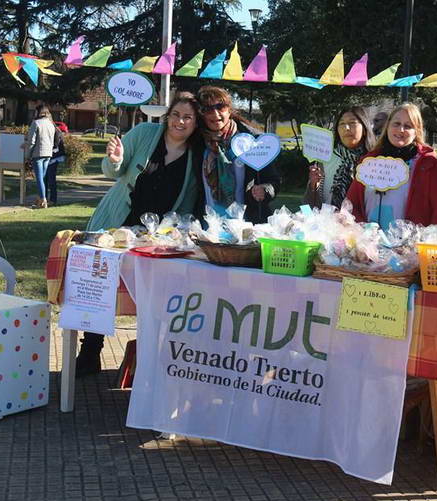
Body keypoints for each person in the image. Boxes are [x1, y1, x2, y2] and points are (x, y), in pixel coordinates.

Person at [77, 92, 206, 377]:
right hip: (115, 224)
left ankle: (148, 355)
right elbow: (113, 171)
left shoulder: (197, 155)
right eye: (175, 115)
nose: (180, 122)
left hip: (157, 238)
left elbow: (189, 202)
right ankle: (90, 350)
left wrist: (175, 233)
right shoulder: (145, 133)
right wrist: (114, 159)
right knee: (100, 286)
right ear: (167, 115)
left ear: (196, 123)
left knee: (154, 292)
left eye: (188, 117)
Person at [345, 103, 437, 228]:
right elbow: (351, 204)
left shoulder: (429, 164)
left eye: (408, 126)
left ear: (417, 131)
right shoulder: (369, 161)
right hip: (369, 243)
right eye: (396, 124)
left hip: (411, 244)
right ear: (387, 127)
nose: (401, 130)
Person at [196, 86, 280, 223]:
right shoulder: (196, 143)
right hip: (208, 226)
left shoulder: (254, 141)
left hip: (246, 224)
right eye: (207, 109)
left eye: (220, 106)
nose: (215, 114)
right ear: (202, 114)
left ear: (229, 109)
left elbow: (273, 180)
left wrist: (265, 190)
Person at [304, 106, 376, 209]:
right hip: (330, 221)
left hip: (365, 222)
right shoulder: (326, 157)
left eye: (352, 123)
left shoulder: (375, 160)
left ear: (365, 128)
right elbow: (310, 204)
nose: (346, 128)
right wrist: (313, 184)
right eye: (342, 124)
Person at [24, 104, 56, 209]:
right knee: (42, 177)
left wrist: (27, 155)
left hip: (38, 153)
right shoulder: (51, 124)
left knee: (39, 178)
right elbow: (52, 140)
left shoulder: (36, 123)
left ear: (39, 112)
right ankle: (40, 198)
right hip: (48, 153)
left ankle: (43, 200)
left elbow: (31, 141)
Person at [45, 127, 67, 206]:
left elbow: (56, 145)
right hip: (47, 156)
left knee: (51, 178)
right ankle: (44, 198)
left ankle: (53, 199)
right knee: (45, 178)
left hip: (54, 157)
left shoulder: (56, 131)